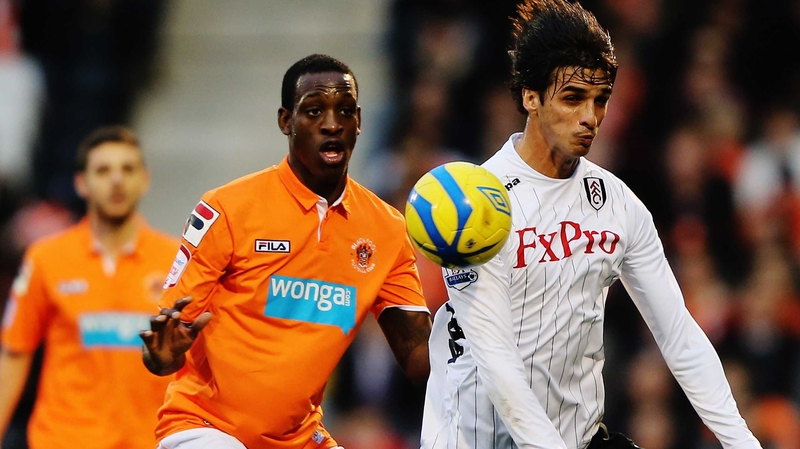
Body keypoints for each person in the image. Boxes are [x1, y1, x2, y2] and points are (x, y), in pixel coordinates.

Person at [420, 1, 763, 448]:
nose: (590, 117)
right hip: (476, 438)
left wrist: (741, 441)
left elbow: (678, 333)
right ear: (530, 96)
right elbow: (496, 360)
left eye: (600, 100)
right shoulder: (475, 207)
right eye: (573, 98)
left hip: (578, 438)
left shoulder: (618, 204)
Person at [140, 54, 432, 449]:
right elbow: (167, 344)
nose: (332, 124)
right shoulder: (227, 208)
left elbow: (418, 358)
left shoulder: (387, 229)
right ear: (285, 121)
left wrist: (476, 295)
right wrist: (162, 357)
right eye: (314, 111)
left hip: (298, 437)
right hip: (205, 428)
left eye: (344, 111)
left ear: (359, 121)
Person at [0, 126, 178, 449]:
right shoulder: (46, 258)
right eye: (103, 170)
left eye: (127, 168)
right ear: (81, 183)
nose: (116, 180)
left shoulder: (175, 262)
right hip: (63, 440)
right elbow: (14, 352)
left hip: (147, 441)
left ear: (145, 179)